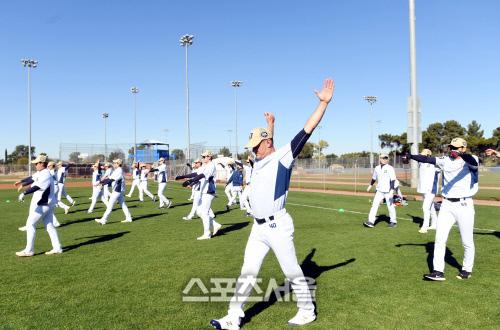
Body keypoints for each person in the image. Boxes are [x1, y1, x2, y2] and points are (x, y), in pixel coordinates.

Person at [210, 78, 334, 329]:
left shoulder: (282, 158)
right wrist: (270, 124)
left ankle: (307, 310)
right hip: (258, 227)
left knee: (291, 272)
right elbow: (268, 144)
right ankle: (234, 317)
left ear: (266, 144)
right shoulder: (261, 158)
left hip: (278, 225)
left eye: (256, 146)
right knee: (248, 270)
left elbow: (306, 130)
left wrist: (323, 104)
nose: (253, 150)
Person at [404, 137, 479, 281]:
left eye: (455, 147)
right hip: (446, 205)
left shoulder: (471, 158)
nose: (451, 149)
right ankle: (438, 271)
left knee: (467, 241)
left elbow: (473, 163)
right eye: (450, 147)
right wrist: (411, 156)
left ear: (463, 148)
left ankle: (466, 269)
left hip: (464, 205)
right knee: (439, 239)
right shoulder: (446, 160)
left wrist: (462, 154)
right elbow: (428, 160)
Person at [15, 155, 63, 256]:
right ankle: (57, 247)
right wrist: (22, 182)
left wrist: (24, 193)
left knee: (30, 224)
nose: (35, 165)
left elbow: (37, 186)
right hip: (48, 204)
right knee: (49, 226)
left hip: (44, 204)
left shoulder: (45, 174)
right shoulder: (41, 173)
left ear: (42, 163)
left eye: (36, 163)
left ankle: (29, 250)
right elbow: (32, 178)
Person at [181, 150, 222, 240]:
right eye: (203, 157)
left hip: (208, 191)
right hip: (204, 191)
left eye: (204, 157)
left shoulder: (211, 165)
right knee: (199, 211)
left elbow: (202, 175)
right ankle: (215, 225)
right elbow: (196, 173)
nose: (203, 158)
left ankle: (207, 234)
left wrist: (190, 181)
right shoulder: (206, 165)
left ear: (209, 157)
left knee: (204, 212)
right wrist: (185, 177)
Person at [363, 154, 397, 228]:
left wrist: (391, 190)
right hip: (379, 190)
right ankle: (371, 222)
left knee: (390, 206)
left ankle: (393, 222)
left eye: (386, 158)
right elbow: (374, 178)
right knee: (374, 205)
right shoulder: (377, 168)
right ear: (380, 159)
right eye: (383, 158)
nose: (385, 159)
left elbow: (393, 180)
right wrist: (370, 185)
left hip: (388, 191)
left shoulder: (390, 168)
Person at [95, 159, 133, 224]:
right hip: (119, 190)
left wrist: (102, 184)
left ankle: (103, 220)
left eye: (115, 163)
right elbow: (109, 178)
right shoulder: (117, 170)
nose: (113, 164)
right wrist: (100, 182)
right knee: (123, 204)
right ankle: (129, 218)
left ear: (118, 164)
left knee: (110, 205)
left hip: (117, 190)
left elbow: (111, 179)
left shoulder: (119, 170)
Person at [416, 149, 441, 233]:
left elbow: (440, 168)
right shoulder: (421, 163)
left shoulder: (434, 163)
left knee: (425, 207)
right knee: (431, 207)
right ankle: (435, 224)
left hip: (431, 189)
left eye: (423, 155)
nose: (421, 156)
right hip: (423, 188)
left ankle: (425, 227)